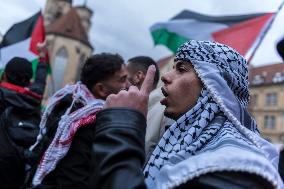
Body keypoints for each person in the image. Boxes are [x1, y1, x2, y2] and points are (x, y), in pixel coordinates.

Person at [91, 40, 284, 189]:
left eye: (181, 69)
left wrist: (121, 125)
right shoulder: (186, 142)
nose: (166, 76)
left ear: (213, 87)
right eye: (173, 67)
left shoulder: (235, 166)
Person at [28, 53, 130, 189]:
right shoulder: (86, 123)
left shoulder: (71, 100)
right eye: (122, 80)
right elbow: (73, 182)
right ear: (101, 89)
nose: (128, 85)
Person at [0, 42, 48, 189]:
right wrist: (42, 57)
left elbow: (40, 81)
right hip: (19, 169)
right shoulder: (35, 98)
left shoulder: (2, 96)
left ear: (5, 75)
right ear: (29, 80)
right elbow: (40, 82)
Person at [126, 56, 171, 158]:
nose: (122, 84)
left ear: (138, 77)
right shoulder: (158, 107)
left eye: (124, 77)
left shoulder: (164, 111)